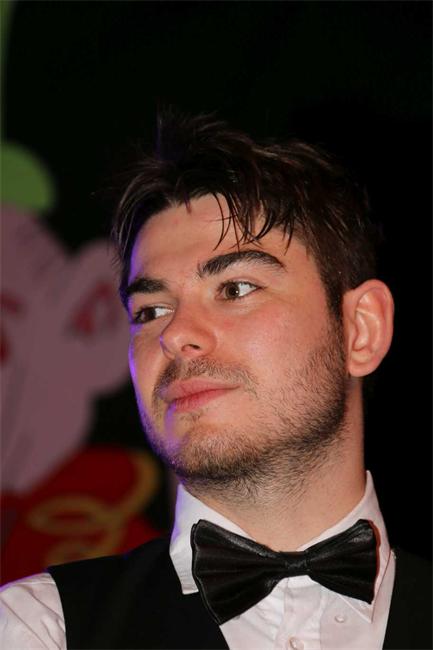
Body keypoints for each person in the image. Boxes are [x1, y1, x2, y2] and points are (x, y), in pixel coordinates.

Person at [0, 112, 430, 650]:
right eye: (151, 310)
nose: (175, 334)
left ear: (361, 330)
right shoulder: (35, 628)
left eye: (235, 289)